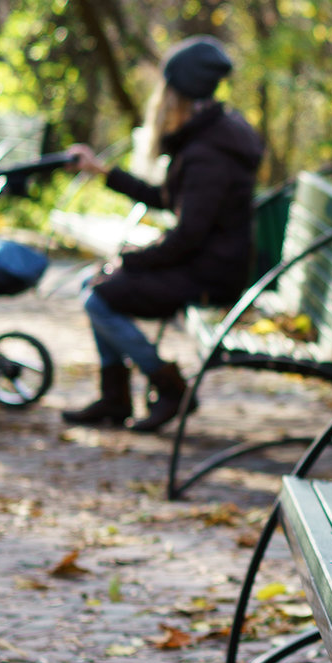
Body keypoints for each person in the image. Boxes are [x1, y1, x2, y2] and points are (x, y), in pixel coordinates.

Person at [61, 35, 264, 431]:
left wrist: (130, 260)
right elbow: (169, 199)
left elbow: (188, 235)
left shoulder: (209, 152)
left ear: (177, 94)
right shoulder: (210, 136)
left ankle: (169, 387)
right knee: (98, 286)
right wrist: (103, 172)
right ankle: (115, 398)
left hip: (212, 274)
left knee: (99, 298)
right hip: (210, 262)